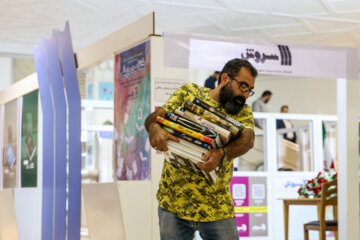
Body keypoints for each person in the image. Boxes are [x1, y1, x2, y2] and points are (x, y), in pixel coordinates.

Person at [145, 58, 257, 240]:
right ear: (225, 79)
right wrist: (155, 128)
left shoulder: (243, 111)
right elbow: (156, 116)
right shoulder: (189, 92)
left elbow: (248, 139)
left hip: (217, 208)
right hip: (173, 204)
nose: (245, 94)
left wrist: (222, 153)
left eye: (249, 90)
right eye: (243, 86)